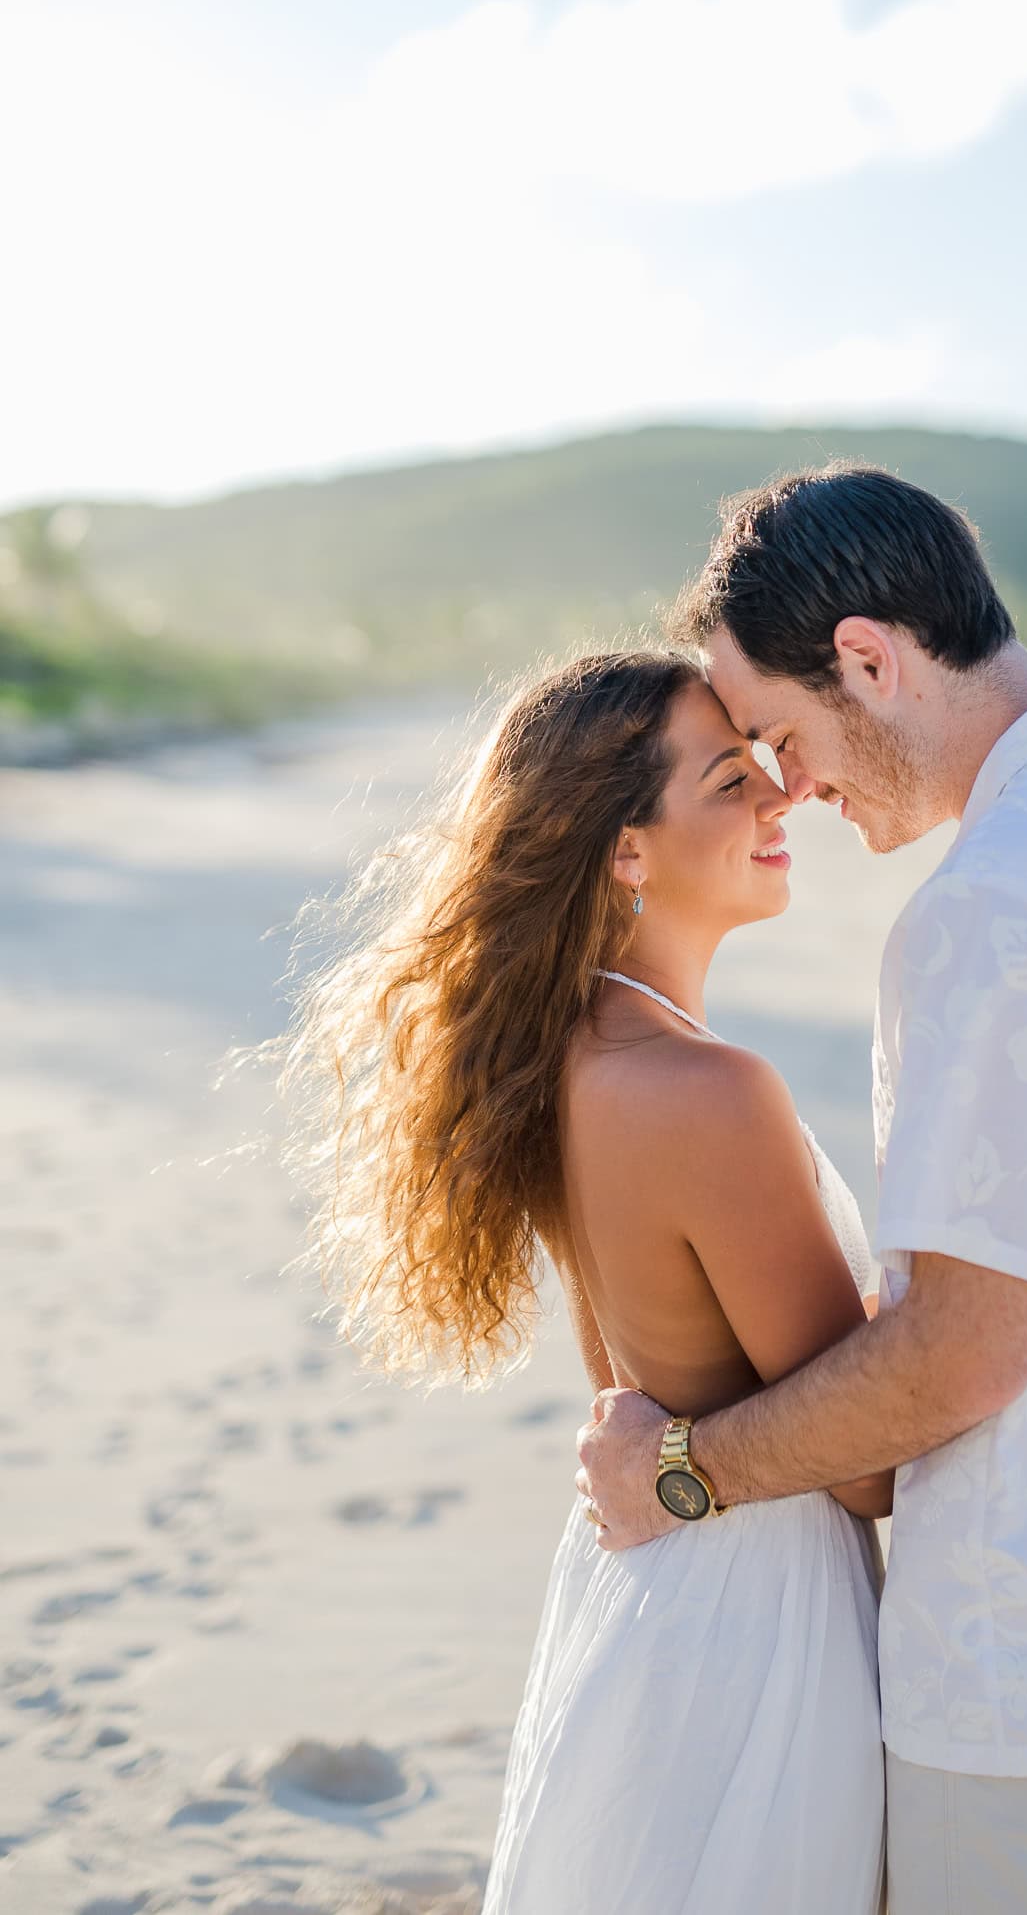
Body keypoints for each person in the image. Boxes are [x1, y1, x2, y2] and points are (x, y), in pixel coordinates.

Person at [578, 464, 1027, 1915]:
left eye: (786, 735)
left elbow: (966, 1351)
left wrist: (683, 1471)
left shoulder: (992, 912)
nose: (794, 785)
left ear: (870, 656)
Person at [275, 649, 889, 1915]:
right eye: (729, 780)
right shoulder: (706, 1093)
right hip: (755, 1616)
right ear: (627, 852)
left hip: (657, 1590)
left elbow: (641, 1383)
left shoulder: (571, 1059)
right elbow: (870, 1462)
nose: (780, 798)